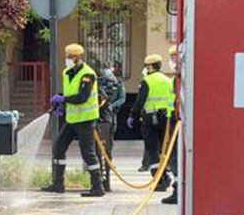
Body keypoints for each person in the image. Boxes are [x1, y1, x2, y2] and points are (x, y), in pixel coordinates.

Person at [42, 43, 104, 198]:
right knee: (58, 148)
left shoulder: (88, 74)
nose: (67, 59)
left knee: (88, 153)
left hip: (85, 119)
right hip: (71, 119)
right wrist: (59, 105)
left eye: (70, 57)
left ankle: (97, 187)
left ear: (78, 58)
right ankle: (58, 184)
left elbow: (82, 97)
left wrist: (64, 99)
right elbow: (70, 93)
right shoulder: (67, 72)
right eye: (67, 56)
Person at [128, 53, 174, 192]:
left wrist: (132, 115)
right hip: (166, 118)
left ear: (149, 66)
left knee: (152, 151)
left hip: (150, 119)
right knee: (163, 150)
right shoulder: (168, 80)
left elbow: (140, 101)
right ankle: (165, 177)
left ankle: (159, 181)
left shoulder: (147, 81)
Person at [96, 62, 126, 192]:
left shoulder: (118, 82)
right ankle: (100, 176)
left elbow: (122, 98)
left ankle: (106, 172)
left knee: (108, 144)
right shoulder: (98, 82)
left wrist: (111, 106)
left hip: (111, 116)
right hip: (98, 116)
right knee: (98, 146)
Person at [163, 44, 181, 205]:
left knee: (177, 156)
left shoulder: (182, 78)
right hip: (174, 121)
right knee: (173, 156)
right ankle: (178, 189)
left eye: (174, 57)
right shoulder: (175, 79)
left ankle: (179, 191)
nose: (172, 60)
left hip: (180, 123)